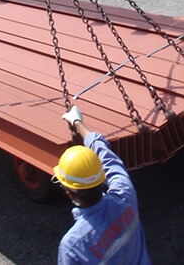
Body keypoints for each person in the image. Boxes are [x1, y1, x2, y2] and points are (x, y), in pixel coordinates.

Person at [54, 106, 151, 265]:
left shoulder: (73, 246)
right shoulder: (125, 195)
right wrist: (78, 122)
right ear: (101, 178)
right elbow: (106, 156)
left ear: (69, 193)